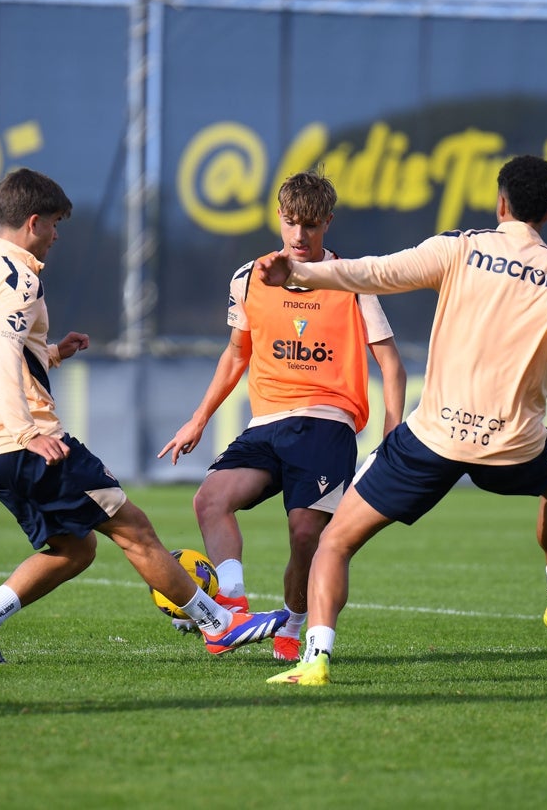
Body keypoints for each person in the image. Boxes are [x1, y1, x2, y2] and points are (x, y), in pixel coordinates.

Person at [257, 155, 547, 686]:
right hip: (513, 446)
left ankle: (315, 658)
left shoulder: (460, 247)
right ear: (546, 213)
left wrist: (298, 271)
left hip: (433, 436)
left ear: (500, 203)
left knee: (335, 542)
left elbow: (375, 272)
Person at [0, 167, 288, 665]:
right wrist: (26, 432)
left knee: (75, 548)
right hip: (26, 440)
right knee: (134, 527)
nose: (58, 235)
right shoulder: (21, 279)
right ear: (34, 222)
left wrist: (52, 354)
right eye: (56, 225)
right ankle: (218, 625)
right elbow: (0, 354)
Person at [158, 171, 407, 662]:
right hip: (266, 424)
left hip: (326, 422)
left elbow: (391, 363)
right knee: (210, 500)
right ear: (278, 217)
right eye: (291, 222)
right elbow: (235, 355)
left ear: (328, 223)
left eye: (311, 225)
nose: (299, 236)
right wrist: (199, 418)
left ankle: (293, 624)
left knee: (305, 533)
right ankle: (232, 603)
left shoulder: (352, 279)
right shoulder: (247, 278)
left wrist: (392, 433)